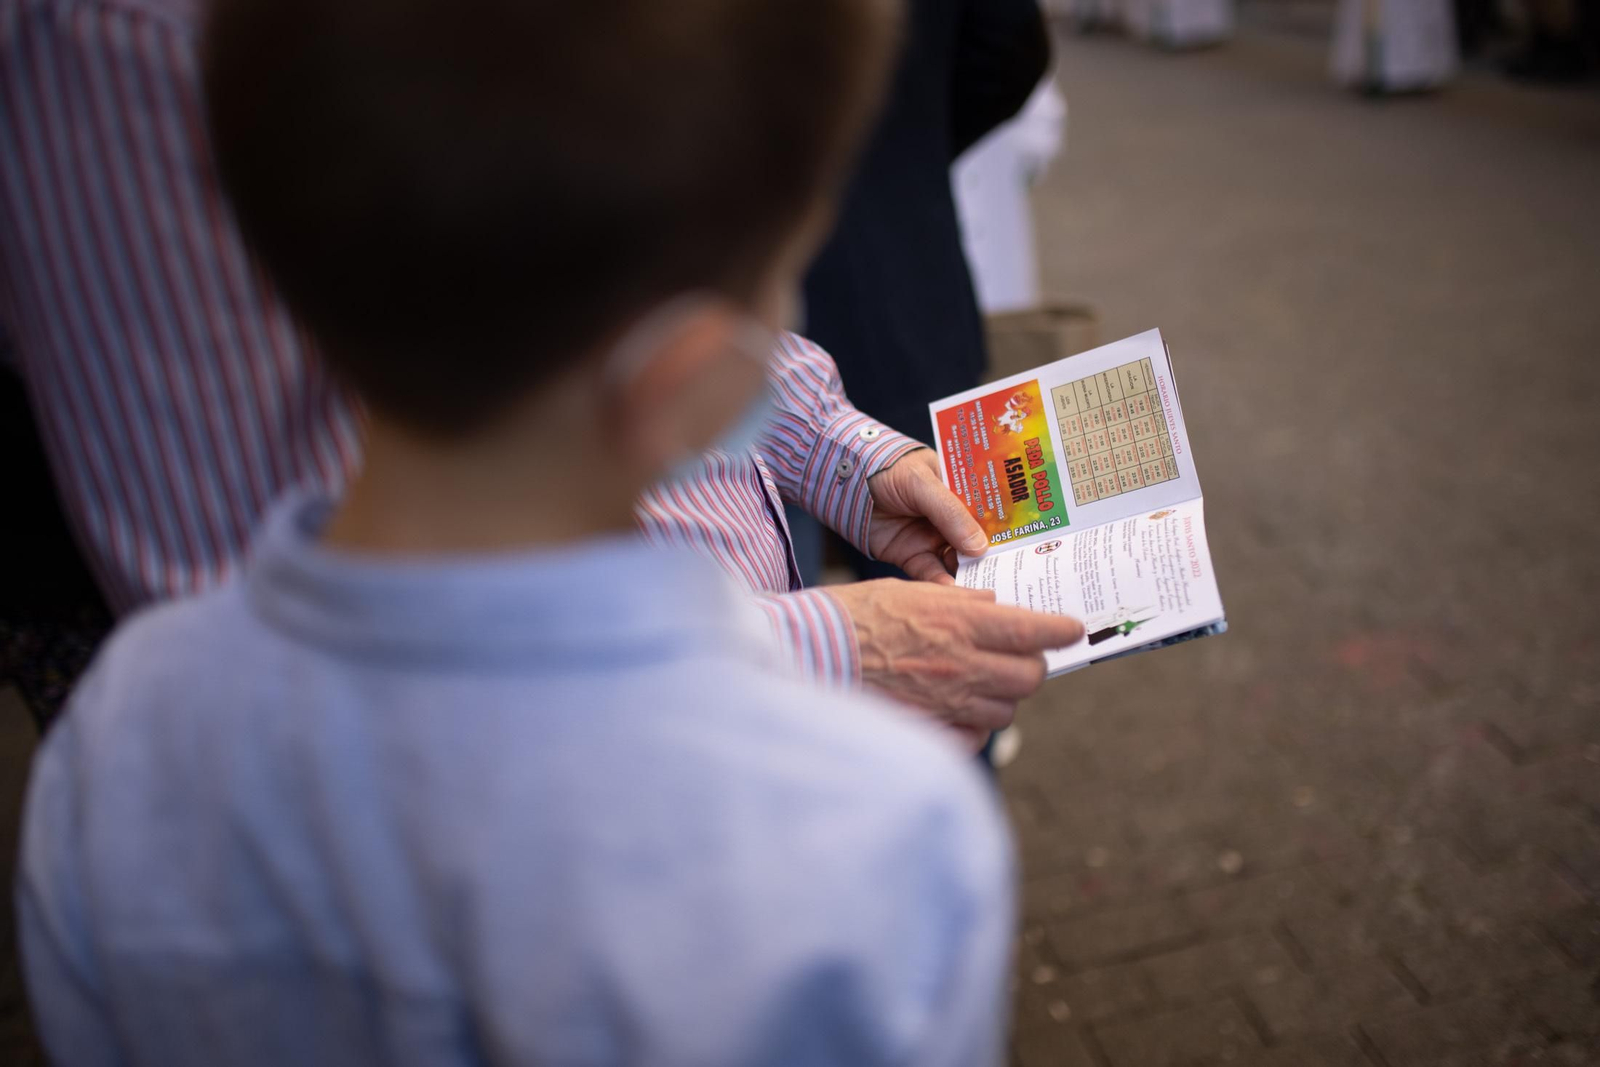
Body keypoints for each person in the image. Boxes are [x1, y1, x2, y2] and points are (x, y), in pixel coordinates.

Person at [20, 0, 1083, 1063]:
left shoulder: (122, 733)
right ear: (687, 383)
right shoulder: (874, 826)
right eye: (776, 292)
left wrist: (848, 454)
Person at [0, 0, 1076, 747]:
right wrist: (822, 648)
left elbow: (648, 263)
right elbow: (235, 609)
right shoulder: (120, 41)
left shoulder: (103, 783)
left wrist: (838, 452)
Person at [796, 0, 1050, 582]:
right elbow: (1007, 43)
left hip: (857, 307)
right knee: (959, 594)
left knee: (950, 566)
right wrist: (911, 152)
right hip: (901, 290)